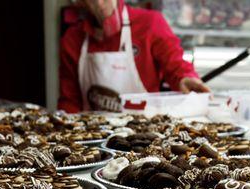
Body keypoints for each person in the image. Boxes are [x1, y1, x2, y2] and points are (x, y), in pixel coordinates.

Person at [58, 0, 209, 112]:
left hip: (146, 132)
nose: (99, 2)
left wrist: (185, 77)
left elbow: (175, 64)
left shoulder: (149, 24)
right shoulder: (73, 39)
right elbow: (69, 101)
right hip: (95, 140)